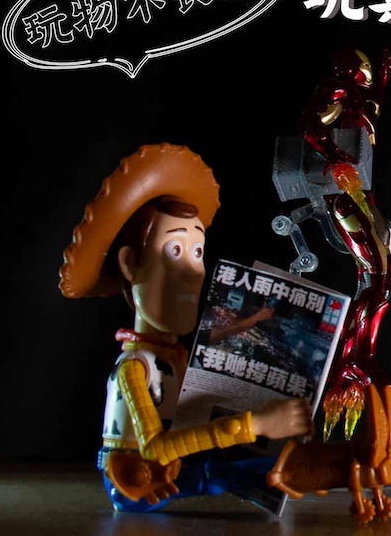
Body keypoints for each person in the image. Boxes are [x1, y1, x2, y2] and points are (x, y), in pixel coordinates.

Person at [59, 143, 313, 511]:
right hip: (136, 481)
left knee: (257, 465)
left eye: (197, 253)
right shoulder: (134, 367)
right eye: (175, 251)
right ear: (131, 264)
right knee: (232, 471)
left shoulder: (176, 357)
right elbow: (155, 449)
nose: (192, 272)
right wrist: (255, 424)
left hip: (173, 466)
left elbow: (218, 341)